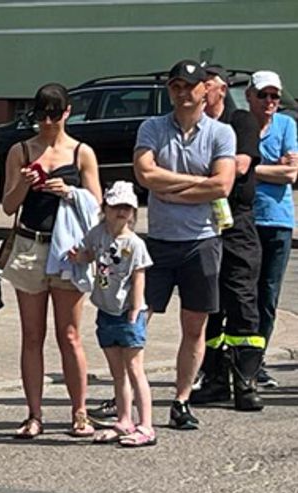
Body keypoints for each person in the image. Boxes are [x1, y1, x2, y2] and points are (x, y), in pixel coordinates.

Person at [133, 60, 235, 431]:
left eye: (188, 86)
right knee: (137, 319)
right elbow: (144, 175)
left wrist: (169, 186)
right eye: (175, 85)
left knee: (195, 326)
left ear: (204, 90)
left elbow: (222, 186)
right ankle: (129, 392)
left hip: (202, 242)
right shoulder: (152, 127)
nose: (181, 92)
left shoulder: (221, 134)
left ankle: (181, 399)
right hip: (159, 241)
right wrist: (195, 184)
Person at [1, 83, 102, 439]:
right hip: (31, 245)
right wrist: (26, 185)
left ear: (67, 113)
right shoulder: (21, 150)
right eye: (41, 114)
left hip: (68, 250)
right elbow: (9, 206)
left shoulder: (81, 153)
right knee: (32, 335)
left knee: (70, 335)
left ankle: (80, 412)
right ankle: (34, 414)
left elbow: (97, 206)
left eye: (53, 114)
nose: (47, 122)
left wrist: (69, 191)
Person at [190, 64, 264, 412]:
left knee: (242, 300)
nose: (201, 91)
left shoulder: (241, 122)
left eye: (206, 85)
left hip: (236, 224)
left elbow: (240, 166)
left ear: (220, 89)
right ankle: (215, 379)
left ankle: (245, 381)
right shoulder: (196, 127)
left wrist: (197, 173)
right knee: (210, 304)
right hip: (203, 222)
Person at [68, 182, 155, 447]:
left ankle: (146, 425)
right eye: (116, 206)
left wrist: (136, 308)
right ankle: (124, 419)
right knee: (118, 372)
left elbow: (139, 275)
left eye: (127, 207)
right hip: (106, 309)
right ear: (105, 207)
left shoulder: (135, 244)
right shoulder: (99, 233)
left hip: (128, 312)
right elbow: (90, 253)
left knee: (135, 368)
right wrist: (79, 257)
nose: (121, 212)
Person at [248, 70, 298, 389]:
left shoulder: (287, 126)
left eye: (275, 97)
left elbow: (292, 174)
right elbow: (232, 169)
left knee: (267, 295)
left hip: (278, 221)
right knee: (242, 294)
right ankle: (232, 358)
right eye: (264, 95)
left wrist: (254, 169)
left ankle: (258, 360)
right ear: (250, 96)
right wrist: (272, 169)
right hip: (245, 221)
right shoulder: (240, 127)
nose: (270, 102)